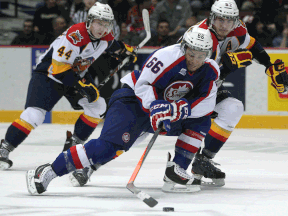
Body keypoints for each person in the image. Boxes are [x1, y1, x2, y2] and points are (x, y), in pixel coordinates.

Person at [26, 26, 220, 194]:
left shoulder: (211, 70)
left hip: (164, 110)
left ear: (208, 54)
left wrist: (175, 109)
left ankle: (176, 169)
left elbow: (206, 102)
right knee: (108, 148)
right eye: (191, 53)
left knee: (202, 119)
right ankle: (49, 171)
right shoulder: (166, 57)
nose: (195, 59)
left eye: (201, 55)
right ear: (184, 47)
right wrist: (155, 107)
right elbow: (144, 85)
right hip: (133, 102)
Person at [0, 2, 136, 170]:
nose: (103, 28)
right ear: (90, 20)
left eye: (107, 23)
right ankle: (4, 148)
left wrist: (125, 50)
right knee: (34, 115)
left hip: (73, 76)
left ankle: (73, 146)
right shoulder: (75, 35)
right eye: (99, 23)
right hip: (49, 75)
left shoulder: (105, 36)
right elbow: (59, 70)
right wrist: (83, 86)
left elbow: (113, 45)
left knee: (98, 106)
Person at [184, 0, 288, 186]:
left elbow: (253, 46)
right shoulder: (202, 36)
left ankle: (203, 160)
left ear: (236, 20)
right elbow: (195, 79)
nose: (224, 26)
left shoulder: (237, 29)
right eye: (220, 20)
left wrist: (269, 65)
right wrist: (226, 69)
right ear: (211, 18)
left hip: (206, 89)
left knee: (233, 107)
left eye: (229, 21)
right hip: (181, 91)